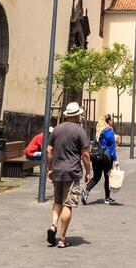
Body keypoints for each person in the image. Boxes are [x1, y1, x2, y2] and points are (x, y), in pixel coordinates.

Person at [45, 102, 92, 248]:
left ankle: (53, 225)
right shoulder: (80, 131)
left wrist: (49, 168)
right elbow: (85, 155)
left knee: (58, 200)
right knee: (68, 203)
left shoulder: (57, 129)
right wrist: (88, 172)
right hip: (72, 172)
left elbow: (48, 150)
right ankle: (63, 239)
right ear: (77, 115)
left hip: (57, 171)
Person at [83, 115, 117, 206]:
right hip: (106, 158)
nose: (112, 122)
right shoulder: (109, 131)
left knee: (96, 177)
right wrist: (115, 159)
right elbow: (112, 147)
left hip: (95, 156)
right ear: (108, 121)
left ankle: (86, 189)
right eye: (111, 120)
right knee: (107, 177)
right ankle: (107, 198)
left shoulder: (98, 132)